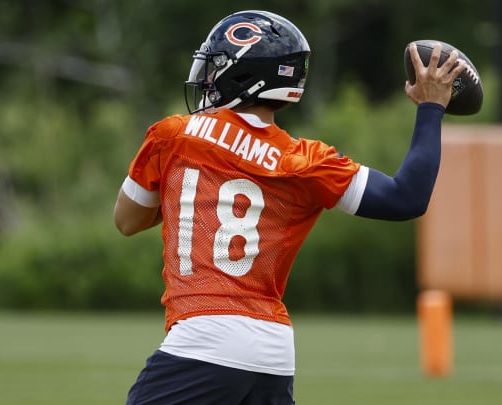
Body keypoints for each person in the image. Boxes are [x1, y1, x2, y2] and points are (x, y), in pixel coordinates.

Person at [114, 9, 466, 404]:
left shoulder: (175, 135)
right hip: (272, 351)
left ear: (243, 75)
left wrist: (182, 188)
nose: (208, 78)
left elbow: (127, 220)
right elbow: (407, 198)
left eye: (217, 68)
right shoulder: (305, 160)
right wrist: (432, 108)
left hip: (202, 335)